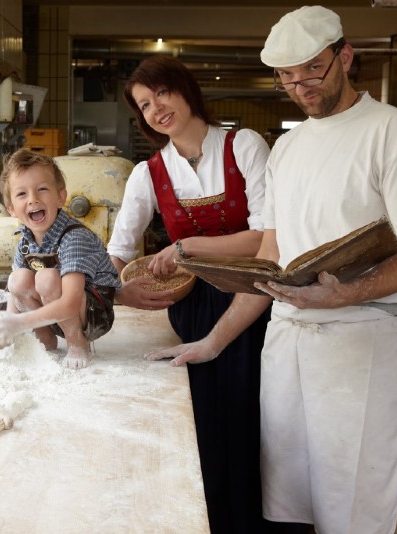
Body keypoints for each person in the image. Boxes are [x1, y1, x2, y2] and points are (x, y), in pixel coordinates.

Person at [147, 6, 397, 534]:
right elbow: (276, 261)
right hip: (287, 342)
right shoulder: (287, 149)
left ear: (344, 57)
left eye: (312, 69)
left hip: (359, 342)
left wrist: (346, 293)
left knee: (351, 502)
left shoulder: (393, 131)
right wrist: (214, 342)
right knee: (288, 501)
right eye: (286, 77)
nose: (300, 85)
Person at [108, 55, 282, 533]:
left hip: (255, 299)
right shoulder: (149, 173)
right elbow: (119, 251)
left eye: (161, 93)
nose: (156, 108)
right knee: (199, 420)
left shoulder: (243, 146)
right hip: (190, 308)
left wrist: (185, 246)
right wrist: (118, 295)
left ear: (185, 90)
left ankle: (253, 521)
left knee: (253, 414)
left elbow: (268, 236)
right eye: (144, 105)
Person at [0, 148, 120, 370]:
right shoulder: (25, 239)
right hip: (56, 313)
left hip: (94, 314)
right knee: (17, 280)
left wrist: (18, 323)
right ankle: (45, 340)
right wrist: (4, 329)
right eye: (21, 194)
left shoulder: (74, 237)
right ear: (11, 209)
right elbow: (15, 293)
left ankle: (77, 343)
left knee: (46, 278)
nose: (33, 199)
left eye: (42, 189)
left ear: (60, 198)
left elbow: (72, 301)